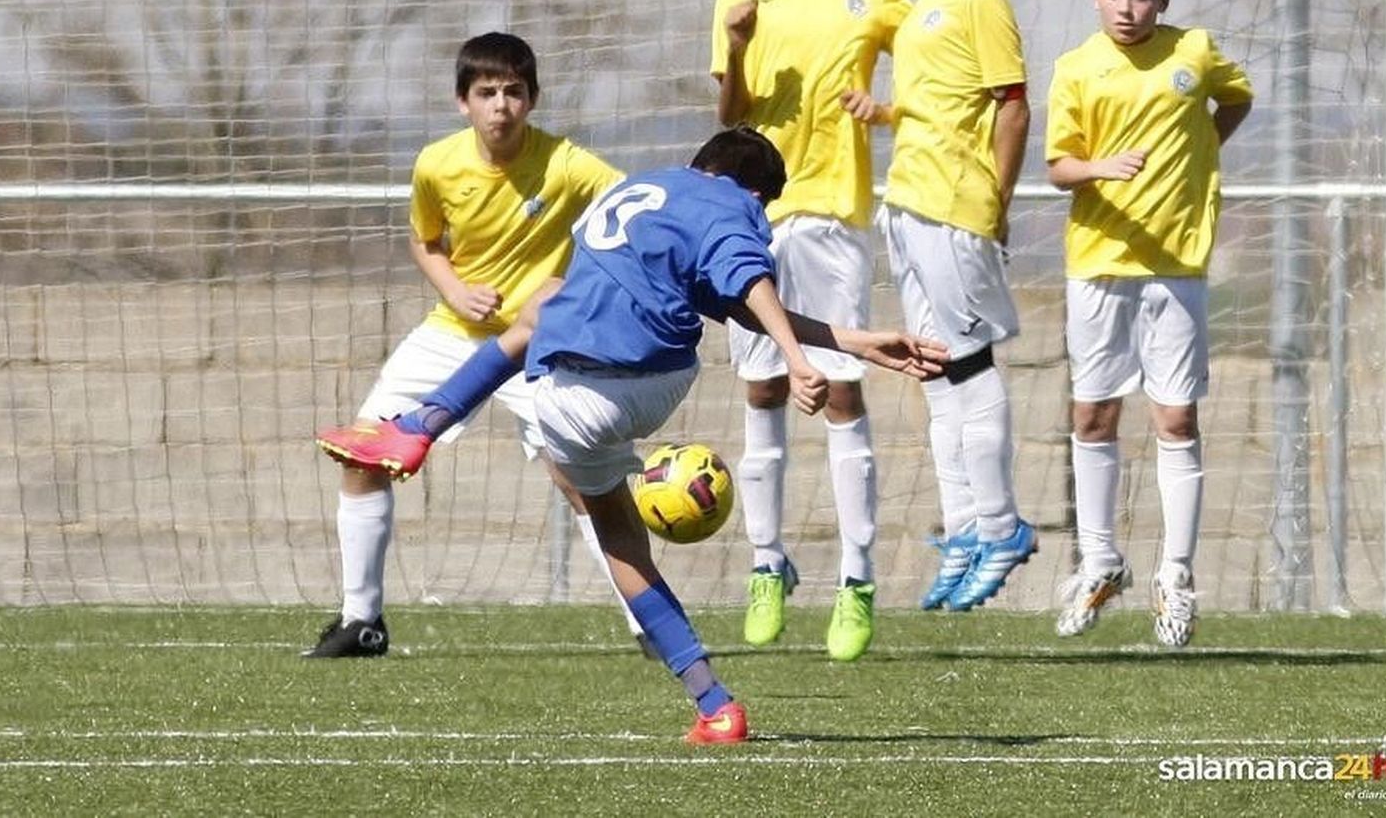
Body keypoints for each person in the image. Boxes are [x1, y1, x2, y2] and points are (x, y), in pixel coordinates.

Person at [318, 127, 949, 744]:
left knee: (544, 304)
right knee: (620, 536)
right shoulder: (733, 203)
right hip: (644, 383)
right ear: (757, 192)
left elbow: (738, 288)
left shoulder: (648, 191)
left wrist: (820, 352)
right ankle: (715, 704)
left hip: (574, 393)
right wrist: (825, 352)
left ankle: (420, 426)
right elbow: (746, 285)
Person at [304, 31, 636, 659]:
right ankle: (360, 621)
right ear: (463, 101)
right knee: (365, 454)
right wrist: (454, 290)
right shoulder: (436, 163)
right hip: (452, 335)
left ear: (533, 99)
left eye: (513, 91)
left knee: (581, 482)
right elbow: (426, 241)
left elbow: (632, 219)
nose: (500, 105)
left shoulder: (568, 163)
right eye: (486, 92)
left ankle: (645, 619)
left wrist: (571, 286)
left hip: (538, 347)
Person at [710, 0, 911, 661]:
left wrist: (887, 105)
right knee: (761, 385)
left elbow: (935, 74)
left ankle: (857, 580)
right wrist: (736, 41)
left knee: (839, 389)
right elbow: (728, 109)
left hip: (832, 212)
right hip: (753, 212)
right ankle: (766, 563)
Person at [1044, 0, 1253, 648]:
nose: (1126, 7)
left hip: (1176, 266)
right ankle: (1100, 561)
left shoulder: (1193, 51)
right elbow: (1059, 168)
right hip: (1099, 262)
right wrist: (1101, 166)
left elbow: (1237, 97)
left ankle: (1176, 575)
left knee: (1175, 417)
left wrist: (1202, 151)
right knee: (1094, 414)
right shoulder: (1077, 67)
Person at [844, 0, 1037, 613]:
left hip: (957, 207)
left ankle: (1002, 526)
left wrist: (994, 198)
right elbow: (940, 100)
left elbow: (1011, 106)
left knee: (970, 364)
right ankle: (963, 529)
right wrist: (886, 112)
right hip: (912, 202)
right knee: (933, 369)